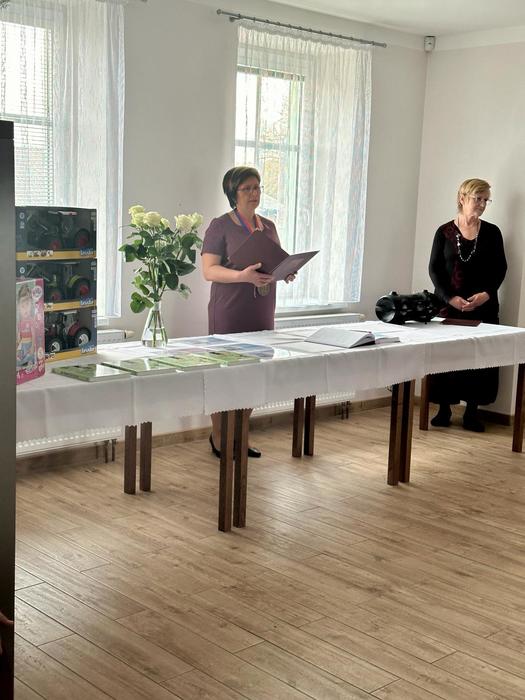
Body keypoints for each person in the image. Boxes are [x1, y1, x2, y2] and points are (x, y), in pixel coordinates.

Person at [201, 166, 295, 458]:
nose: (254, 193)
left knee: (256, 374)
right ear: (233, 193)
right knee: (226, 376)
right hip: (230, 310)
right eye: (247, 188)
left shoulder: (268, 226)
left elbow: (273, 262)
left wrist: (286, 271)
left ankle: (240, 435)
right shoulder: (220, 226)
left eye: (257, 187)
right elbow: (209, 271)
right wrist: (242, 276)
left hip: (261, 308)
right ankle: (219, 436)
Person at [428, 178, 507, 432]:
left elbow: (500, 268)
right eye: (478, 198)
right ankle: (443, 409)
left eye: (486, 200)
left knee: (479, 359)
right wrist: (450, 298)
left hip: (483, 307)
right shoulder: (444, 232)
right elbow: (435, 270)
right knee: (445, 357)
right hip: (449, 307)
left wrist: (486, 294)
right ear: (462, 198)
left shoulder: (492, 232)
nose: (482, 204)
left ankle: (472, 413)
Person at [16, 283, 37, 369]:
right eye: (22, 306)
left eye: (27, 305)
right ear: (18, 307)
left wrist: (32, 347)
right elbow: (18, 336)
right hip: (22, 345)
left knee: (30, 358)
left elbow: (34, 335)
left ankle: (30, 363)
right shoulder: (19, 322)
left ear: (31, 305)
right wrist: (17, 345)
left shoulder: (31, 321)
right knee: (19, 360)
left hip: (29, 344)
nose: (25, 309)